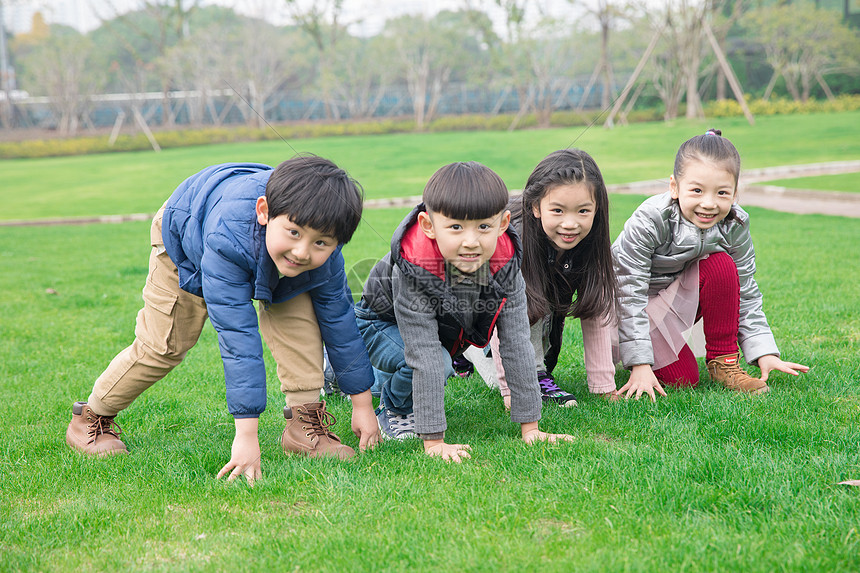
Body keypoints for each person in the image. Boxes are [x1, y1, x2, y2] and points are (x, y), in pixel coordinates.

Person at [65, 156, 380, 484]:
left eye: (320, 243)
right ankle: (90, 417)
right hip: (187, 233)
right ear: (264, 211)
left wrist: (362, 405)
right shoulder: (226, 239)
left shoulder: (319, 252)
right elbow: (238, 339)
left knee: (300, 324)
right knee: (164, 345)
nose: (302, 251)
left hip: (261, 242)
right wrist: (246, 436)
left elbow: (340, 323)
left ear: (336, 241)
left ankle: (304, 428)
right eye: (294, 232)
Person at [356, 161, 574, 461]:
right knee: (439, 363)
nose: (471, 242)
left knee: (440, 359)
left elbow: (517, 344)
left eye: (484, 226)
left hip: (443, 329)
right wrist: (434, 442)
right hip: (377, 323)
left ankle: (361, 377)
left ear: (503, 223)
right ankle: (393, 406)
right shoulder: (413, 268)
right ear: (428, 226)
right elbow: (425, 354)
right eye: (456, 227)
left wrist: (531, 428)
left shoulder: (506, 263)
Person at [612, 129, 809, 400]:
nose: (709, 203)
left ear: (735, 193)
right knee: (682, 381)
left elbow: (746, 289)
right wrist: (640, 363)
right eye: (696, 190)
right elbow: (627, 293)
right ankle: (643, 355)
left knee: (721, 265)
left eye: (722, 193)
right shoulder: (651, 219)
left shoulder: (735, 223)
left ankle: (724, 363)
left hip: (675, 304)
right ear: (674, 187)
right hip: (628, 310)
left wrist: (764, 351)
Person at [463, 149, 619, 409]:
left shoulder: (591, 241)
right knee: (528, 296)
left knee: (538, 300)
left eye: (583, 211)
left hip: (519, 316)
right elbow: (507, 314)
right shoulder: (514, 240)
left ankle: (472, 350)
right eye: (557, 210)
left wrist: (604, 387)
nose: (570, 223)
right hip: (479, 306)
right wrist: (512, 390)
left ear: (596, 209)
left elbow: (596, 309)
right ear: (536, 206)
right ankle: (465, 342)